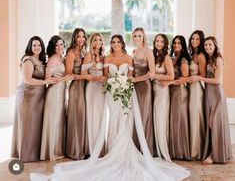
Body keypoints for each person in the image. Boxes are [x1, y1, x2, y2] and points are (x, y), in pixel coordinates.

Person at [31, 35, 190, 181]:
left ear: (122, 43)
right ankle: (112, 149)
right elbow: (106, 76)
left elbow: (131, 77)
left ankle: (124, 151)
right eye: (113, 42)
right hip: (111, 93)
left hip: (126, 93)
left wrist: (124, 84)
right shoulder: (107, 57)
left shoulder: (129, 57)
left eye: (118, 42)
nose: (115, 44)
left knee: (125, 120)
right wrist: (113, 83)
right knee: (113, 119)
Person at [11, 36, 57, 162]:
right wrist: (46, 82)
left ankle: (34, 153)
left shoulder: (42, 60)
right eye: (34, 45)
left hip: (39, 97)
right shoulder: (28, 60)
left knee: (35, 125)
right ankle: (26, 155)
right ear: (30, 47)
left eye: (39, 45)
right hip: (27, 97)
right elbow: (27, 79)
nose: (37, 47)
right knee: (27, 125)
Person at [189, 36, 232, 164]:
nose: (208, 47)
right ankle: (214, 152)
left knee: (215, 123)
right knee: (210, 124)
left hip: (217, 95)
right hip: (208, 95)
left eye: (210, 45)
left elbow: (217, 80)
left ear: (215, 46)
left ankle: (214, 155)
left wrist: (199, 78)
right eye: (206, 45)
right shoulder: (207, 59)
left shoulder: (218, 59)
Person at [40, 35, 74, 161]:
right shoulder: (52, 60)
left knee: (59, 121)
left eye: (61, 44)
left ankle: (58, 149)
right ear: (53, 47)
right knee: (54, 121)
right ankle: (52, 151)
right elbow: (46, 79)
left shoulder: (61, 58)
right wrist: (64, 79)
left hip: (61, 93)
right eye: (57, 45)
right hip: (54, 93)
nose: (60, 47)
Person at [81, 33, 106, 155]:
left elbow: (106, 74)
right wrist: (93, 77)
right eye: (95, 39)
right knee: (92, 116)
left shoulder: (103, 56)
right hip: (91, 88)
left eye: (100, 39)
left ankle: (101, 148)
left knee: (101, 117)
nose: (98, 41)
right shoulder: (88, 55)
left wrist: (103, 78)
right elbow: (83, 73)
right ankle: (92, 149)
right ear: (92, 42)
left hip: (102, 89)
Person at [65, 28, 88, 160]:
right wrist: (85, 76)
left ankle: (83, 147)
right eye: (78, 36)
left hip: (85, 85)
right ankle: (74, 149)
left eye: (83, 36)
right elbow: (69, 74)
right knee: (76, 116)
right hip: (76, 87)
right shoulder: (71, 53)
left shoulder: (84, 52)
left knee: (82, 116)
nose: (81, 39)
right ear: (74, 38)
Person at [150, 33, 174, 162]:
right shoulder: (154, 56)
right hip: (153, 90)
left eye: (161, 41)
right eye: (157, 41)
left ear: (165, 44)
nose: (158, 43)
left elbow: (171, 76)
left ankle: (163, 150)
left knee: (161, 118)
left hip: (162, 90)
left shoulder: (166, 58)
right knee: (155, 118)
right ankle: (155, 149)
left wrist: (155, 76)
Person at [132, 27, 155, 155]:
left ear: (144, 37)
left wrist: (136, 80)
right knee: (136, 115)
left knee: (144, 115)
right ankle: (136, 146)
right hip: (135, 87)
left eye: (139, 36)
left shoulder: (148, 51)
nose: (137, 38)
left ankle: (145, 149)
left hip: (144, 87)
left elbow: (151, 73)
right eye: (135, 36)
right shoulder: (134, 51)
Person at [169, 35, 191, 160]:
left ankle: (181, 151)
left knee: (179, 120)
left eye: (179, 43)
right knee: (174, 119)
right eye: (174, 43)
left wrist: (168, 82)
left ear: (183, 46)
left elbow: (183, 79)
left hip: (180, 91)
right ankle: (174, 148)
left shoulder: (183, 60)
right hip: (173, 91)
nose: (176, 45)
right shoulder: (172, 58)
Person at [188, 30, 206, 160]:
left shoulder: (200, 55)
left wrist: (196, 78)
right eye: (193, 38)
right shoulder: (190, 54)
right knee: (191, 117)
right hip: (189, 88)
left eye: (197, 39)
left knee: (195, 118)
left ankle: (196, 151)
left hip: (196, 89)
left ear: (201, 41)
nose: (194, 41)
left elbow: (203, 74)